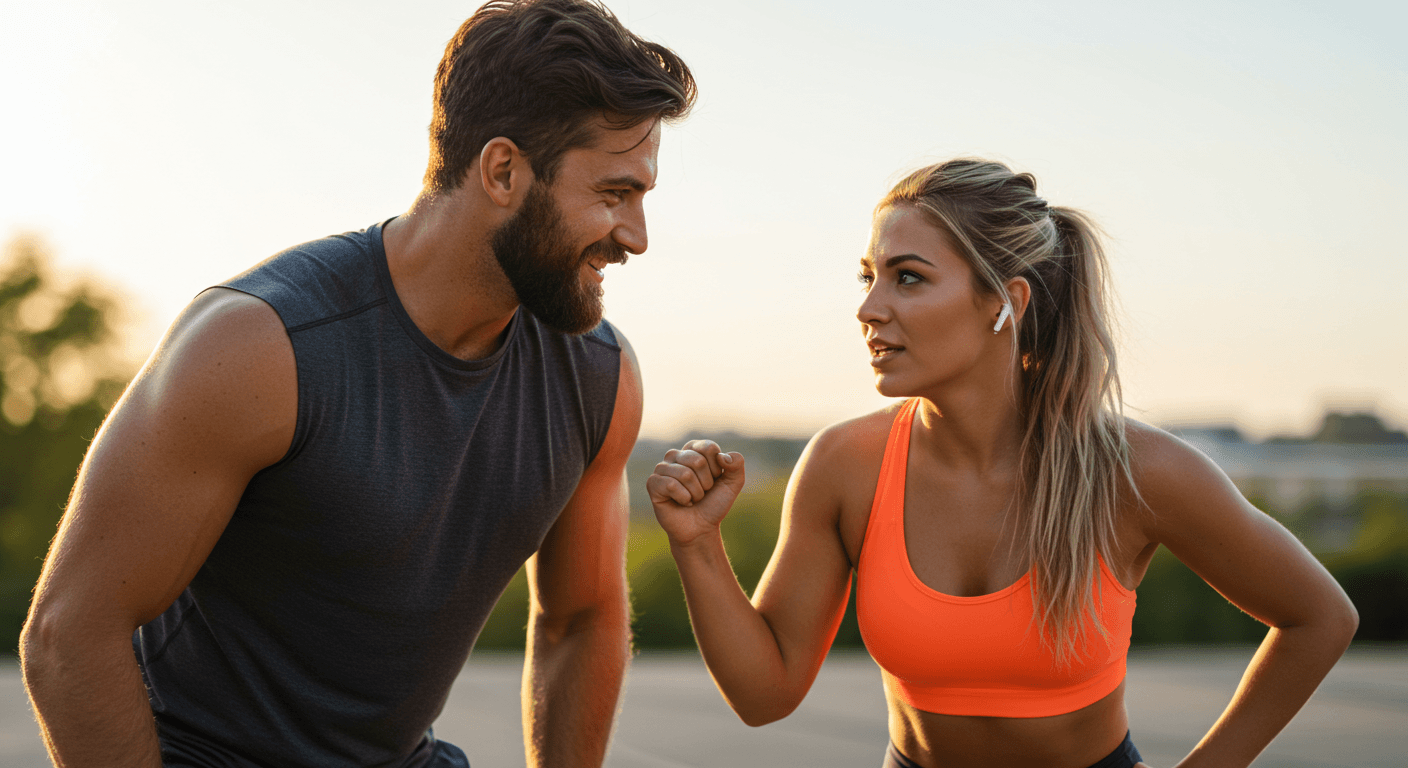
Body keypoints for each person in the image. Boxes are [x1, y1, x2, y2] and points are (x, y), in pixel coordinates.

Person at [20, 1, 695, 766]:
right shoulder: (261, 347)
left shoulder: (598, 375)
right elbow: (69, 633)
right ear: (503, 171)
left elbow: (580, 619)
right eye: (614, 195)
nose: (636, 237)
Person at [647, 158, 1358, 768]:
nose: (869, 307)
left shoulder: (1135, 472)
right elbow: (763, 696)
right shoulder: (845, 464)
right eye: (868, 276)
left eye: (909, 278)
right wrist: (698, 543)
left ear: (1003, 302)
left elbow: (1319, 617)